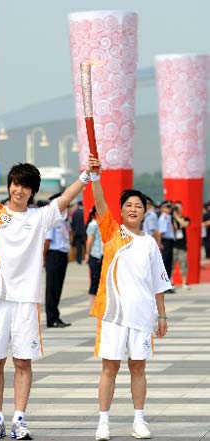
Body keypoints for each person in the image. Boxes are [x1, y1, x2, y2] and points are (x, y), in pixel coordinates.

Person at [0, 139, 91, 440]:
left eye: (24, 187)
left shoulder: (38, 218)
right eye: (14, 184)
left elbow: (63, 201)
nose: (18, 190)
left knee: (23, 361)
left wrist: (86, 176)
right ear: (9, 185)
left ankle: (19, 420)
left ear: (32, 191)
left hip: (26, 301)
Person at [88, 155, 171, 441]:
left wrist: (161, 315)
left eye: (138, 206)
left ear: (145, 211)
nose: (133, 209)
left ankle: (139, 420)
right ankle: (103, 422)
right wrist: (96, 176)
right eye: (129, 206)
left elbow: (158, 283)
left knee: (138, 367)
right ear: (122, 211)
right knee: (109, 367)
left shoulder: (149, 243)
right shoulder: (112, 232)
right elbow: (99, 203)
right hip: (113, 315)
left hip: (143, 315)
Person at [44, 193, 71, 328]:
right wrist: (43, 258)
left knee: (58, 288)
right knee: (52, 288)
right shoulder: (52, 220)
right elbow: (47, 240)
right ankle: (51, 318)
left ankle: (56, 316)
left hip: (62, 255)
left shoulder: (63, 220)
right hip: (53, 255)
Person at [85, 206, 103, 307]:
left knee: (102, 282)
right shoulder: (93, 224)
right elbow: (89, 241)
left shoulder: (104, 223)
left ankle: (100, 305)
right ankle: (93, 306)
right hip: (95, 256)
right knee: (95, 281)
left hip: (103, 256)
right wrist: (88, 254)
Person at [172, 201, 190, 290]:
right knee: (171, 265)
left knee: (184, 264)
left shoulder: (185, 218)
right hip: (173, 245)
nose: (177, 209)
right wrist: (174, 216)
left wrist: (177, 216)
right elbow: (174, 227)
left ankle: (185, 282)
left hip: (182, 245)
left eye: (179, 207)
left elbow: (184, 224)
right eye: (176, 207)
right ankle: (171, 282)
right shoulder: (171, 219)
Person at [158, 201, 175, 292]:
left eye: (170, 207)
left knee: (168, 263)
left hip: (169, 241)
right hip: (166, 241)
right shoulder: (163, 218)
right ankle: (164, 285)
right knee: (165, 264)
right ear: (162, 208)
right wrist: (160, 243)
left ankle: (167, 285)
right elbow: (161, 232)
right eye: (167, 207)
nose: (169, 209)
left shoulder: (168, 217)